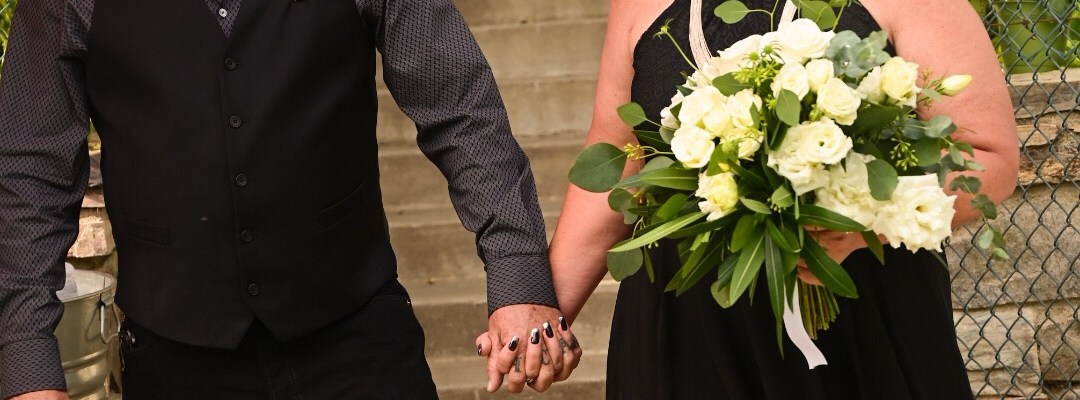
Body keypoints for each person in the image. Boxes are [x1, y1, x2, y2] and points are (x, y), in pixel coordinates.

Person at [0, 0, 581, 398]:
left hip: (358, 340)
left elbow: (462, 110)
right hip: (173, 357)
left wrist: (518, 276)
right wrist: (27, 363)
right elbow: (28, 178)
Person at [549, 0, 1019, 398]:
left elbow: (987, 155)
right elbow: (620, 160)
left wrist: (863, 221)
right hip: (683, 336)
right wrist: (543, 313)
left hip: (860, 324)